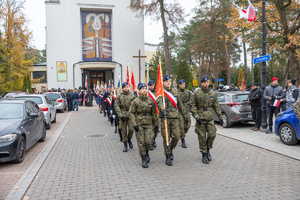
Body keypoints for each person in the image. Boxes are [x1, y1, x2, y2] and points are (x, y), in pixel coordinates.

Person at [190, 76, 223, 164]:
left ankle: (208, 149)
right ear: (201, 83)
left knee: (212, 134)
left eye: (208, 82)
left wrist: (220, 117)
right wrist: (196, 116)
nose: (206, 83)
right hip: (200, 117)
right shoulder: (197, 93)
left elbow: (216, 106)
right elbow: (192, 106)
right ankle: (204, 154)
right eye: (205, 82)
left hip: (209, 117)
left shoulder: (213, 93)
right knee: (202, 137)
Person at [156, 75, 188, 166]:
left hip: (174, 118)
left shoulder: (175, 92)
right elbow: (159, 103)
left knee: (176, 137)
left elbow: (180, 105)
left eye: (169, 81)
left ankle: (170, 150)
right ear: (163, 82)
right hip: (165, 118)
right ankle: (167, 156)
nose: (168, 82)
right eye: (166, 81)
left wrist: (185, 115)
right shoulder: (161, 93)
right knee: (166, 138)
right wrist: (163, 111)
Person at [129, 83, 158, 168]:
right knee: (141, 142)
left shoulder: (151, 101)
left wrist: (156, 124)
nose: (144, 90)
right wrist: (134, 124)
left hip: (149, 124)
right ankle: (143, 159)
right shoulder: (136, 101)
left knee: (148, 141)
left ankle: (147, 152)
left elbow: (154, 114)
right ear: (139, 90)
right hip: (139, 124)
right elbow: (131, 113)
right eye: (142, 89)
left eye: (145, 89)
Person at [115, 82, 136, 152]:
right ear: (123, 88)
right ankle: (125, 145)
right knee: (123, 130)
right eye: (125, 87)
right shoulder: (119, 96)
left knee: (131, 129)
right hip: (123, 114)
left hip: (130, 115)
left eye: (127, 87)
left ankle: (129, 139)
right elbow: (116, 106)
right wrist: (120, 115)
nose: (126, 88)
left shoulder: (132, 96)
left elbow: (135, 105)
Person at [177, 79, 191, 148]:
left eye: (184, 84)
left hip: (186, 111)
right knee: (182, 126)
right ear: (179, 85)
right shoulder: (176, 92)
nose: (183, 85)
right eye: (181, 84)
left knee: (187, 125)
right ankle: (183, 140)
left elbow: (191, 101)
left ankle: (181, 134)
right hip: (179, 111)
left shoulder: (188, 92)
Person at [147, 80, 159, 150]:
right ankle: (151, 143)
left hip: (157, 113)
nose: (151, 86)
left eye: (152, 85)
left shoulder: (157, 92)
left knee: (156, 129)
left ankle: (154, 139)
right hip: (149, 113)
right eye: (150, 85)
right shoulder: (147, 93)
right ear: (148, 86)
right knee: (150, 129)